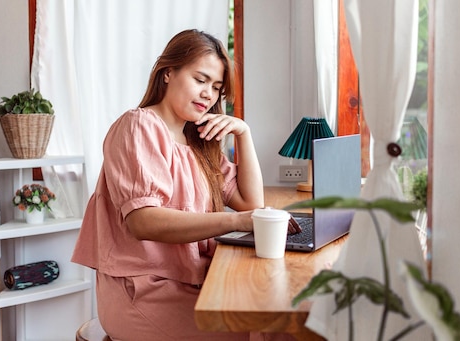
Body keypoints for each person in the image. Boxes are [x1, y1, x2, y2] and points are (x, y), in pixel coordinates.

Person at [72, 29, 296, 340]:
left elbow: (251, 202)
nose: (209, 94)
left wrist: (244, 134)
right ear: (168, 73)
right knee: (267, 334)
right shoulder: (138, 126)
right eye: (200, 79)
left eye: (217, 87)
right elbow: (143, 222)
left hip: (195, 283)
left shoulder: (198, 141)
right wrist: (236, 221)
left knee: (282, 326)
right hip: (144, 292)